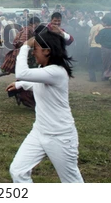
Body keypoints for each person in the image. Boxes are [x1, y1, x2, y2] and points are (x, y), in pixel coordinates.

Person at [6, 27, 84, 183]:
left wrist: (24, 47)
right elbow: (36, 82)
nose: (33, 52)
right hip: (39, 131)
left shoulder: (57, 71)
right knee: (18, 171)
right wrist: (21, 85)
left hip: (60, 136)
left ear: (47, 51)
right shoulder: (45, 69)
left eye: (35, 49)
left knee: (71, 182)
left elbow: (23, 73)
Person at [87, 16, 103, 82]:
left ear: (96, 20)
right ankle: (103, 77)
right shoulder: (103, 27)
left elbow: (90, 38)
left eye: (93, 20)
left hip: (94, 47)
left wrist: (89, 45)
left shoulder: (93, 27)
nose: (92, 22)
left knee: (91, 63)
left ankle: (92, 78)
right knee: (101, 63)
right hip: (101, 47)